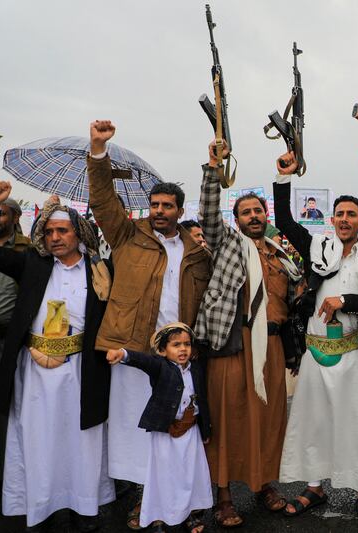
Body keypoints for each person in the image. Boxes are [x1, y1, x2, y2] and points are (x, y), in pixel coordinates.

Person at [87, 120, 212, 530]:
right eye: (154, 204)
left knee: (178, 428)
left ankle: (179, 500)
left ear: (180, 211)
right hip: (134, 347)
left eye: (167, 206)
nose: (159, 211)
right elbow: (103, 201)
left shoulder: (196, 252)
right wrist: (99, 152)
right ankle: (145, 499)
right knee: (135, 429)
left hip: (178, 357)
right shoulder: (127, 235)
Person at [194, 139, 301, 527]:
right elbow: (208, 215)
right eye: (246, 212)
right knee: (228, 420)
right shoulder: (227, 244)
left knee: (268, 421)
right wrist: (213, 168)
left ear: (265, 215)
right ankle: (223, 496)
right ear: (236, 219)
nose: (253, 216)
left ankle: (263, 484)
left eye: (258, 211)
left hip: (272, 346)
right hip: (234, 345)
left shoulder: (279, 253)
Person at [272, 151, 358, 525]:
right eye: (340, 214)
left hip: (353, 355)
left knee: (356, 422)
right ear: (332, 219)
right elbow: (284, 221)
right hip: (316, 355)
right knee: (314, 422)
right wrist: (283, 177)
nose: (345, 219)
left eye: (352, 214)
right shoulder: (316, 247)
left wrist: (346, 301)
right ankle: (314, 487)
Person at [0, 183, 115, 531]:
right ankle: (41, 509)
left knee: (81, 442)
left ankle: (83, 508)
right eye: (49, 232)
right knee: (39, 441)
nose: (54, 238)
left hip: (82, 370)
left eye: (62, 231)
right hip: (35, 373)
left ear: (78, 233)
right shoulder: (33, 264)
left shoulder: (100, 270)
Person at [107, 323, 212, 533]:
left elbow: (203, 400)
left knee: (189, 475)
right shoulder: (160, 367)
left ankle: (189, 515)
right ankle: (158, 519)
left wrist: (206, 430)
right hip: (166, 433)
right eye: (176, 345)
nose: (183, 349)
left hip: (190, 432)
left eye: (187, 344)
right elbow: (143, 360)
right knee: (163, 476)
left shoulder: (196, 369)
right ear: (163, 351)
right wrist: (123, 354)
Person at [0, 195, 30, 481]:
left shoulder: (26, 249)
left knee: (8, 404)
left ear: (16, 217)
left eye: (1, 213)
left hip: (9, 339)